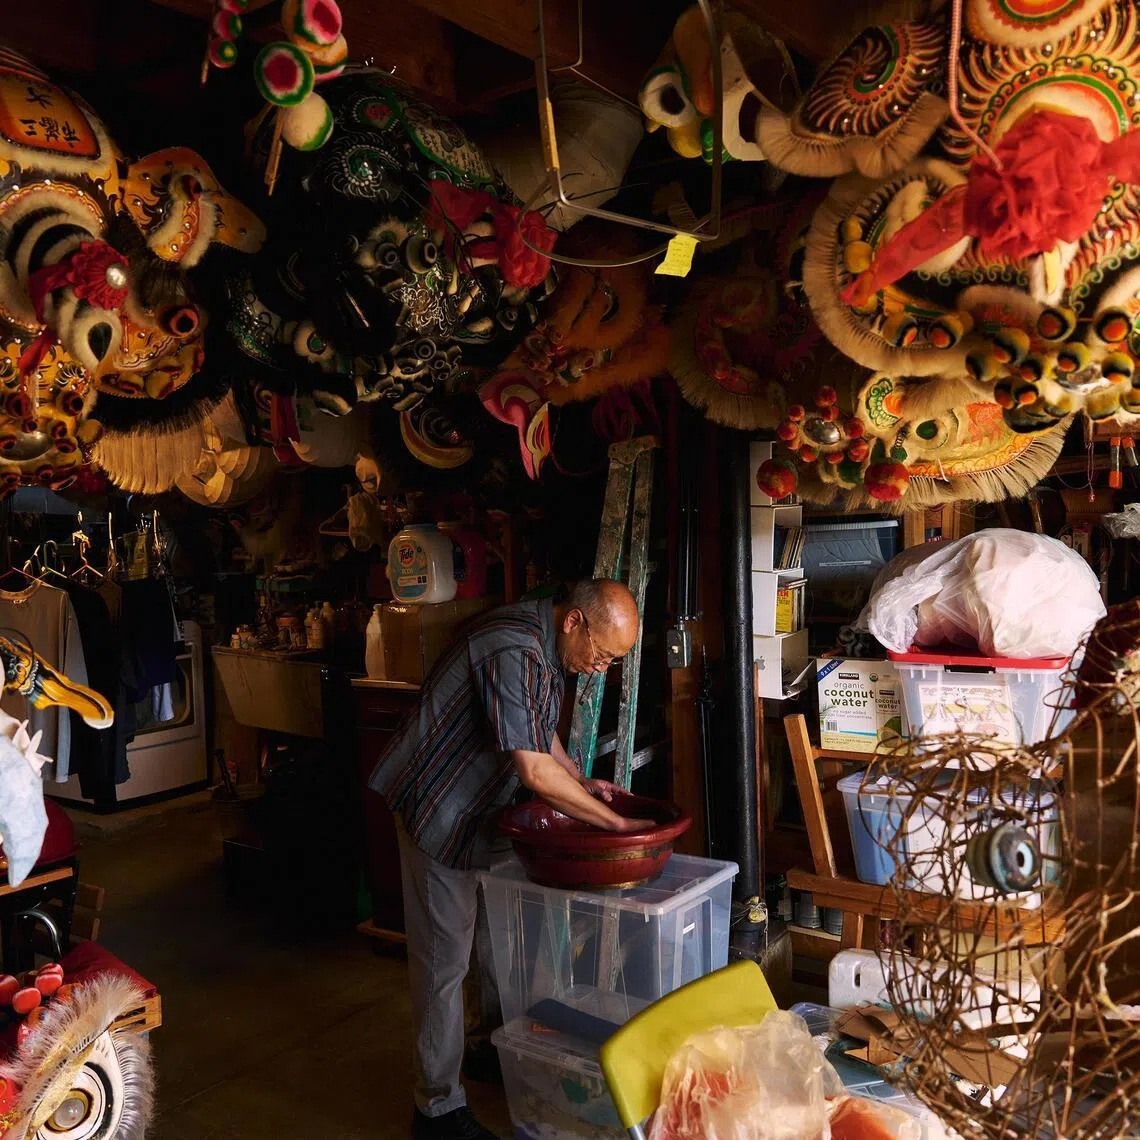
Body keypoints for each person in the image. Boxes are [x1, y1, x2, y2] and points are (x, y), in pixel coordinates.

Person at [370, 578, 648, 1140]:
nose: (600, 668)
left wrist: (585, 785)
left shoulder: (545, 647)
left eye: (614, 661)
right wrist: (617, 825)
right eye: (602, 654)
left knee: (496, 946)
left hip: (482, 808)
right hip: (437, 808)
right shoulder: (510, 646)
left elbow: (541, 738)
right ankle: (436, 1109)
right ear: (574, 621)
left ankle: (482, 1048)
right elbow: (533, 771)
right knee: (443, 964)